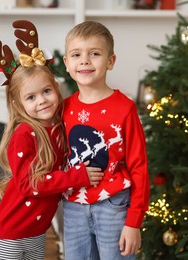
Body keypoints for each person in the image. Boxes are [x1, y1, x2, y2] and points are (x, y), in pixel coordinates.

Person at [0, 20, 103, 260]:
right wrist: (76, 176)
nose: (42, 101)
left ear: (56, 89)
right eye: (31, 97)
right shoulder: (24, 134)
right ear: (18, 104)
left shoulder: (58, 126)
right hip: (11, 234)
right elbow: (30, 185)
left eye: (46, 91)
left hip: (38, 231)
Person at [62, 20, 150, 259]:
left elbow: (139, 167)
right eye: (76, 54)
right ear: (66, 63)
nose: (85, 61)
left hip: (113, 205)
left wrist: (133, 222)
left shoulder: (124, 109)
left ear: (110, 61)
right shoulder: (63, 109)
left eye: (95, 54)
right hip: (74, 206)